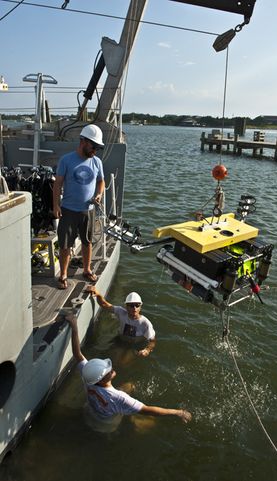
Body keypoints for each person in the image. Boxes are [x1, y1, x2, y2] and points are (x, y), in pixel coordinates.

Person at [66, 315, 192, 430]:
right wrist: (178, 412)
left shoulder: (88, 376)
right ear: (101, 379)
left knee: (130, 386)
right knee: (151, 422)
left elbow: (77, 353)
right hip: (107, 425)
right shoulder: (119, 398)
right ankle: (131, 420)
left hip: (90, 413)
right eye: (108, 371)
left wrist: (74, 326)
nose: (111, 368)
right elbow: (149, 410)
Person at [53, 124, 105, 289]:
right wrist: (56, 206)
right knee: (65, 245)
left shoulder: (97, 162)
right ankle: (63, 274)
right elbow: (57, 184)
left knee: (87, 241)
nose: (95, 150)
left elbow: (101, 181)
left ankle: (87, 269)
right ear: (83, 141)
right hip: (68, 209)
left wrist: (99, 194)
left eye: (97, 147)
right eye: (93, 146)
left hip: (88, 210)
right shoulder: (66, 160)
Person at [87, 287, 155, 357]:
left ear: (140, 307)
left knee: (123, 363)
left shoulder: (145, 323)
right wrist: (98, 294)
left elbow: (152, 341)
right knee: (111, 356)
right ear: (126, 306)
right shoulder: (121, 312)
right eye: (131, 305)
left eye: (137, 305)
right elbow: (104, 304)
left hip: (134, 346)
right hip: (121, 340)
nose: (134, 308)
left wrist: (147, 350)